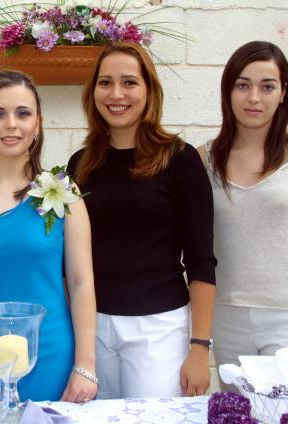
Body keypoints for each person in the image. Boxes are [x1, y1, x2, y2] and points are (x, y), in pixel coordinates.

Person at [0, 69, 97, 403]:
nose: (11, 124)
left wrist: (85, 366)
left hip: (50, 357)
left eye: (23, 113)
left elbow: (82, 282)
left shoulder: (65, 194)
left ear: (37, 124)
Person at [67, 42, 217, 399]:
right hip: (92, 330)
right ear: (93, 92)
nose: (116, 94)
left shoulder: (180, 160)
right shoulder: (79, 164)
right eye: (105, 83)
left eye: (129, 82)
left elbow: (201, 260)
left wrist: (200, 346)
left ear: (149, 90)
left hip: (158, 328)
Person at [197, 41, 287, 391]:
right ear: (228, 90)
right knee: (239, 412)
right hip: (226, 314)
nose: (254, 98)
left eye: (267, 86)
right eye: (243, 84)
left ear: (283, 93)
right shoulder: (201, 160)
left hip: (284, 313)